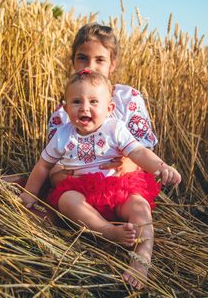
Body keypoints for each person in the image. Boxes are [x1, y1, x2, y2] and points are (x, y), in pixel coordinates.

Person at [20, 70, 181, 290]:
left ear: (109, 109)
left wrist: (161, 166)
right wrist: (29, 194)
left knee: (140, 207)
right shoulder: (63, 134)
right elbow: (43, 165)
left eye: (94, 101)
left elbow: (139, 153)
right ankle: (107, 230)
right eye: (77, 101)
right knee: (67, 201)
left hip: (117, 189)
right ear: (66, 109)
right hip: (83, 193)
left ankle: (141, 258)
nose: (85, 107)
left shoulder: (115, 128)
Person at [48, 23, 158, 184]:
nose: (90, 66)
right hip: (80, 188)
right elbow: (53, 166)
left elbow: (144, 149)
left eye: (100, 60)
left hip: (125, 183)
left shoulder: (127, 98)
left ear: (112, 64)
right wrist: (59, 177)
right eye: (82, 58)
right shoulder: (63, 114)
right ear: (73, 61)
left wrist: (130, 164)